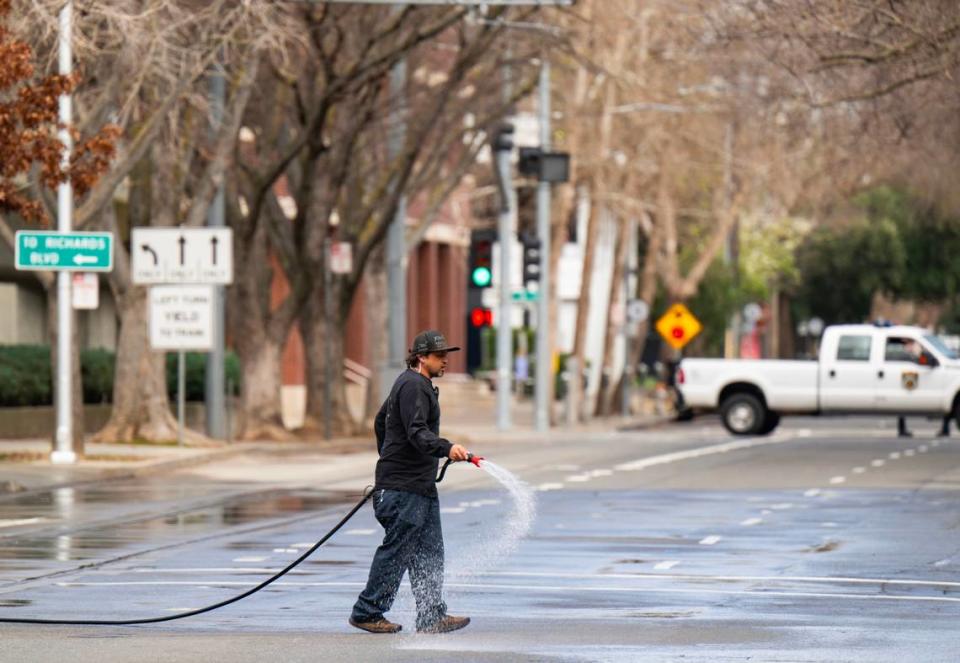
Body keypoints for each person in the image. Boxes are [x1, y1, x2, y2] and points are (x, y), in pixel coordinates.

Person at [349, 330, 472, 635]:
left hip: (417, 486)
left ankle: (431, 615)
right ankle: (367, 611)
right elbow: (417, 432)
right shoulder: (414, 385)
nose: (445, 360)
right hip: (403, 490)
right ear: (421, 357)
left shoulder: (412, 384)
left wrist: (391, 455)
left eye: (446, 355)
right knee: (398, 551)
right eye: (439, 355)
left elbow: (381, 421)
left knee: (429, 552)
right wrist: (445, 448)